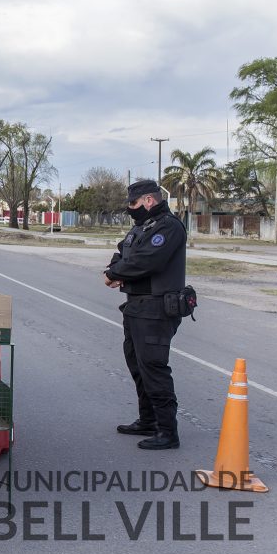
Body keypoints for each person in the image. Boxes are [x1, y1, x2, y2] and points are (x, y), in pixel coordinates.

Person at [104, 179, 187, 450]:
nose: (130, 209)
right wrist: (113, 269)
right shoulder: (141, 227)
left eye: (133, 203)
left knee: (153, 367)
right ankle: (148, 419)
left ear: (149, 200)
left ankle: (168, 432)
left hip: (156, 307)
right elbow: (122, 252)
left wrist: (115, 274)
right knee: (137, 365)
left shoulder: (169, 227)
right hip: (137, 307)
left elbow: (148, 260)